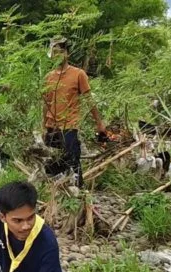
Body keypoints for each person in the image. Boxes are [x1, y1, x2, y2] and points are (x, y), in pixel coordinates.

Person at [43, 37, 107, 186]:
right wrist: (43, 125)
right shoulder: (48, 77)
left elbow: (89, 99)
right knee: (54, 163)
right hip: (52, 125)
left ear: (67, 54)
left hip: (69, 125)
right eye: (54, 52)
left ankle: (79, 191)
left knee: (72, 159)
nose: (57, 55)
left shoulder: (78, 74)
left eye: (60, 52)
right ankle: (58, 193)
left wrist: (99, 123)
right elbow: (46, 103)